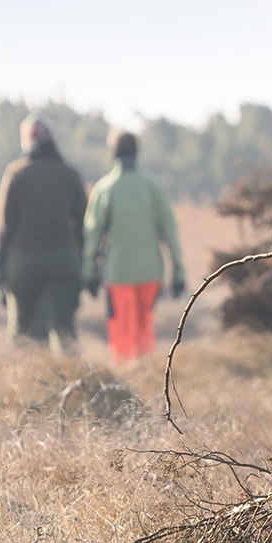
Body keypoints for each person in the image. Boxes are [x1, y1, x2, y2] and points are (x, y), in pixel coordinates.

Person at [82, 130, 186, 366]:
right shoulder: (153, 187)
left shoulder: (105, 188)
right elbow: (170, 232)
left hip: (118, 273)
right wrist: (178, 270)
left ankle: (127, 384)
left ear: (113, 153)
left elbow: (92, 233)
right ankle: (147, 377)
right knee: (144, 329)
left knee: (122, 333)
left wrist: (88, 270)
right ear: (137, 153)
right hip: (151, 272)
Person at [0, 115, 88, 353]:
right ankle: (73, 383)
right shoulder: (70, 174)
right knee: (64, 332)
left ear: (26, 141)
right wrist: (85, 262)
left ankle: (24, 384)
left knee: (21, 333)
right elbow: (84, 223)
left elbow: (4, 227)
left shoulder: (16, 173)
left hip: (24, 262)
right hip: (63, 261)